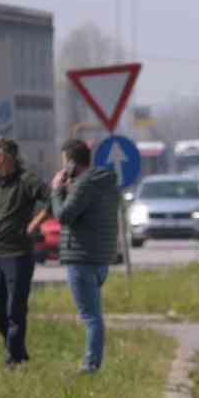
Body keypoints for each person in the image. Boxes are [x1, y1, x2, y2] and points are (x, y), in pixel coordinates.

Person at [0, 137, 49, 366]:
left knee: (15, 308)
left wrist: (34, 225)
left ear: (3, 156)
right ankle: (16, 348)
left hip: (19, 255)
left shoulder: (27, 180)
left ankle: (13, 360)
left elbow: (52, 200)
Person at [51, 139, 121, 374]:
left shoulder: (84, 186)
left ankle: (90, 365)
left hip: (80, 259)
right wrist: (71, 189)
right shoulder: (104, 183)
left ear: (70, 162)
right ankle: (92, 362)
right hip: (100, 259)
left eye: (64, 163)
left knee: (91, 317)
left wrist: (56, 191)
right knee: (93, 315)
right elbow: (89, 211)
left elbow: (63, 216)